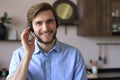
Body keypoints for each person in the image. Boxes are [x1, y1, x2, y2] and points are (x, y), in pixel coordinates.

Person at [6, 2, 87, 80]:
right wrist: (27, 55)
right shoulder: (19, 55)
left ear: (56, 24)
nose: (45, 29)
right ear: (31, 28)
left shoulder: (74, 55)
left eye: (49, 21)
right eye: (38, 23)